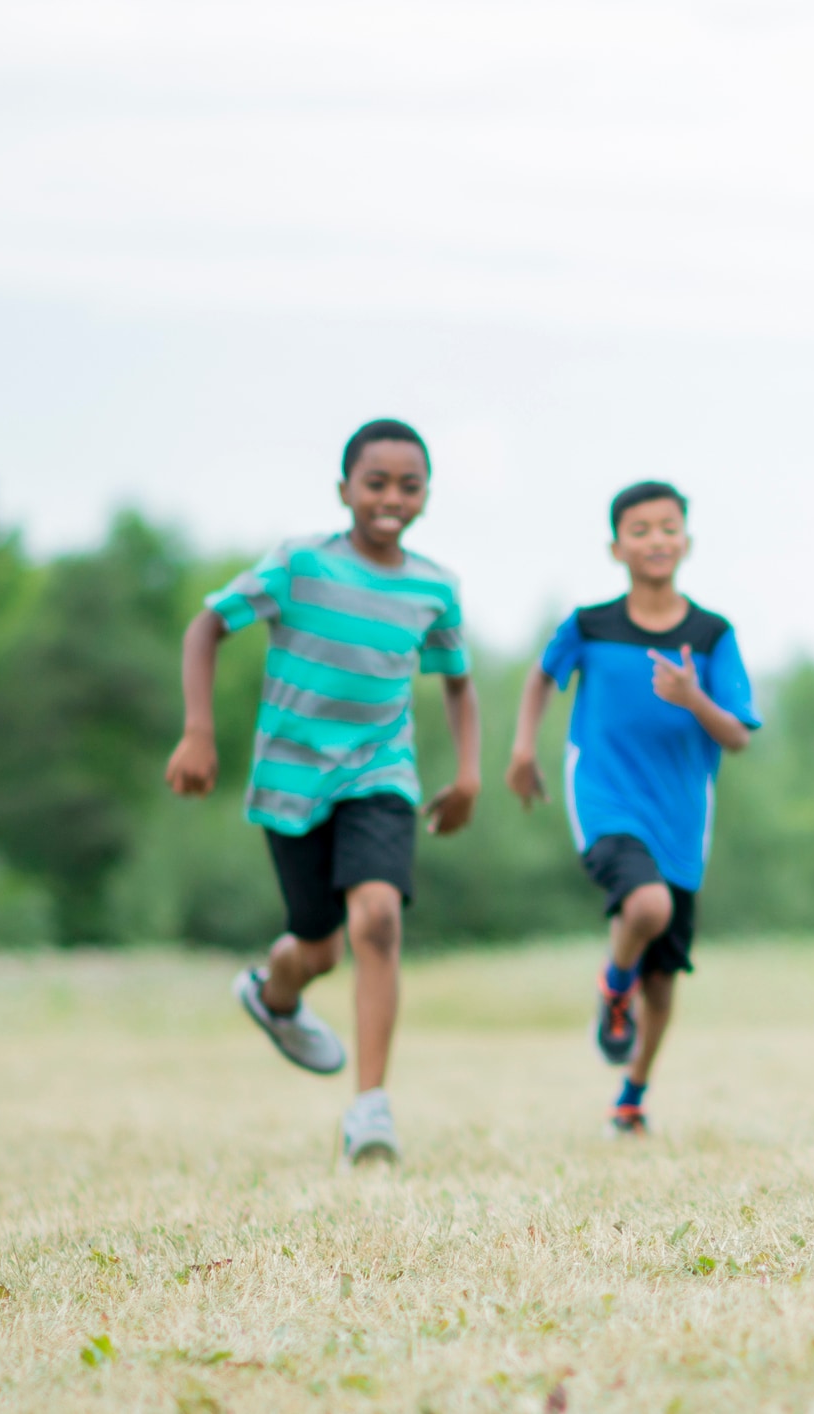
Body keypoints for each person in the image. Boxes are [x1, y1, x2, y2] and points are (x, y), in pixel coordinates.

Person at [165, 419, 480, 1166]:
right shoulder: (300, 564)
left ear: (426, 495)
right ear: (344, 489)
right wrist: (198, 731)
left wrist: (468, 773)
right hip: (291, 778)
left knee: (376, 919)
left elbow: (459, 684)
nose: (391, 497)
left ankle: (369, 1109)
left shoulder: (435, 588)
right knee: (317, 946)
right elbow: (205, 628)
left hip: (379, 773)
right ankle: (274, 994)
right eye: (376, 482)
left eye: (409, 485)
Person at [506, 481, 759, 1136]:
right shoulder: (590, 625)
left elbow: (735, 734)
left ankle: (631, 1097)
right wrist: (521, 749)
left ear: (686, 540)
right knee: (647, 906)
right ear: (615, 546)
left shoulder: (711, 635)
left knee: (664, 977)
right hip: (603, 794)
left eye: (667, 527)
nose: (655, 540)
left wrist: (691, 697)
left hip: (680, 816)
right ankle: (611, 985)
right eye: (640, 529)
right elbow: (541, 674)